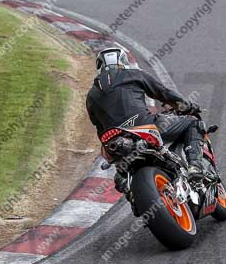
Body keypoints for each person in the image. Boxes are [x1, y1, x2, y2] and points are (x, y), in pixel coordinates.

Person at [86, 47, 207, 183]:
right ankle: (195, 166)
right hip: (144, 126)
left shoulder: (91, 95)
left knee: (120, 179)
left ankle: (130, 186)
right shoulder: (134, 74)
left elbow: (99, 128)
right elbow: (164, 93)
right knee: (193, 123)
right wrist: (187, 106)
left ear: (100, 67)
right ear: (123, 61)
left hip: (115, 142)